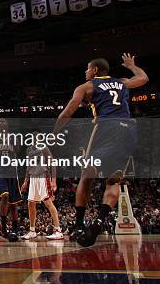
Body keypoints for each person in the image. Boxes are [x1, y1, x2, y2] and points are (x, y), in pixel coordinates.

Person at [54, 54, 148, 246]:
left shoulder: (87, 87)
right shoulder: (121, 83)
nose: (86, 71)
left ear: (95, 70)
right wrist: (132, 65)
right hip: (128, 129)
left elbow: (68, 112)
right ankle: (99, 220)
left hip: (106, 128)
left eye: (87, 68)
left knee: (86, 174)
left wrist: (54, 133)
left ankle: (79, 224)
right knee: (114, 179)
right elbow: (143, 78)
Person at [20, 132, 63, 240]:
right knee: (30, 204)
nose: (35, 139)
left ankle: (58, 230)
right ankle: (32, 230)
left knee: (48, 202)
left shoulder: (44, 147)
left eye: (37, 137)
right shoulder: (29, 149)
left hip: (43, 176)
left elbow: (52, 163)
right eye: (33, 137)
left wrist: (54, 180)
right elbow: (28, 167)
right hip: (33, 178)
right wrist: (25, 181)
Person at [0, 118, 22, 241]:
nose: (1, 123)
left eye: (3, 121)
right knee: (5, 195)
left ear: (7, 124)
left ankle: (15, 229)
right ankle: (3, 228)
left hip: (11, 170)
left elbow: (18, 151)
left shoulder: (13, 137)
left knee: (14, 204)